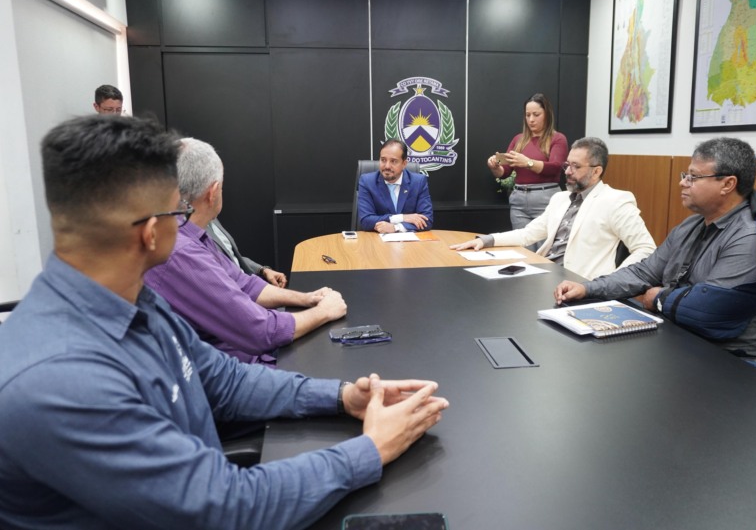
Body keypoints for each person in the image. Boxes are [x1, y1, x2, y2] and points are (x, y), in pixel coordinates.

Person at [0, 115, 449, 530]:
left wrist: (343, 396)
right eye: (178, 213)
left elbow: (225, 381)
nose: (188, 227)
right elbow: (224, 507)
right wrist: (369, 451)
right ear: (150, 232)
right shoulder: (60, 384)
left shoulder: (134, 298)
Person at [555, 137, 756, 374]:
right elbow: (644, 271)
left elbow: (710, 310)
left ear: (727, 184)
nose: (683, 183)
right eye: (685, 175)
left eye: (694, 177)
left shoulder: (751, 236)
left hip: (748, 363)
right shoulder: (692, 225)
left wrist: (659, 298)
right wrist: (588, 288)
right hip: (691, 343)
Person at [144, 137, 345, 366]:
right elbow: (261, 331)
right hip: (234, 368)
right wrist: (323, 312)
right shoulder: (182, 252)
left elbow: (246, 284)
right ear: (213, 192)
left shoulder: (193, 233)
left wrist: (307, 299)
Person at [453, 137, 656, 280]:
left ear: (596, 172)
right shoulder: (560, 198)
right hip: (543, 274)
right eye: (567, 165)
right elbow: (528, 233)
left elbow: (646, 249)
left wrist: (610, 282)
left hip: (579, 284)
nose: (567, 171)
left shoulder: (616, 201)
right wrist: (487, 240)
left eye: (576, 167)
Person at [487, 92, 568, 231]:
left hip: (545, 199)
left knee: (544, 243)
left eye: (536, 115)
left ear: (547, 114)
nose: (531, 119)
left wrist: (528, 162)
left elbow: (555, 167)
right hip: (519, 200)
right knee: (521, 242)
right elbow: (505, 172)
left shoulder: (557, 138)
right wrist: (495, 167)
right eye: (527, 115)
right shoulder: (518, 139)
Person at [358, 138, 433, 233]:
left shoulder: (418, 182)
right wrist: (401, 218)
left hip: (410, 241)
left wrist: (396, 227)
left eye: (393, 161)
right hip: (377, 240)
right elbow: (366, 221)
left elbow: (426, 220)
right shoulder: (367, 182)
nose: (387, 166)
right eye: (383, 160)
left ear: (404, 164)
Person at [207, 214, 288, 287]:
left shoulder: (213, 219)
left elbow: (233, 258)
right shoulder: (201, 236)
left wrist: (263, 270)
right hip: (236, 289)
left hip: (247, 281)